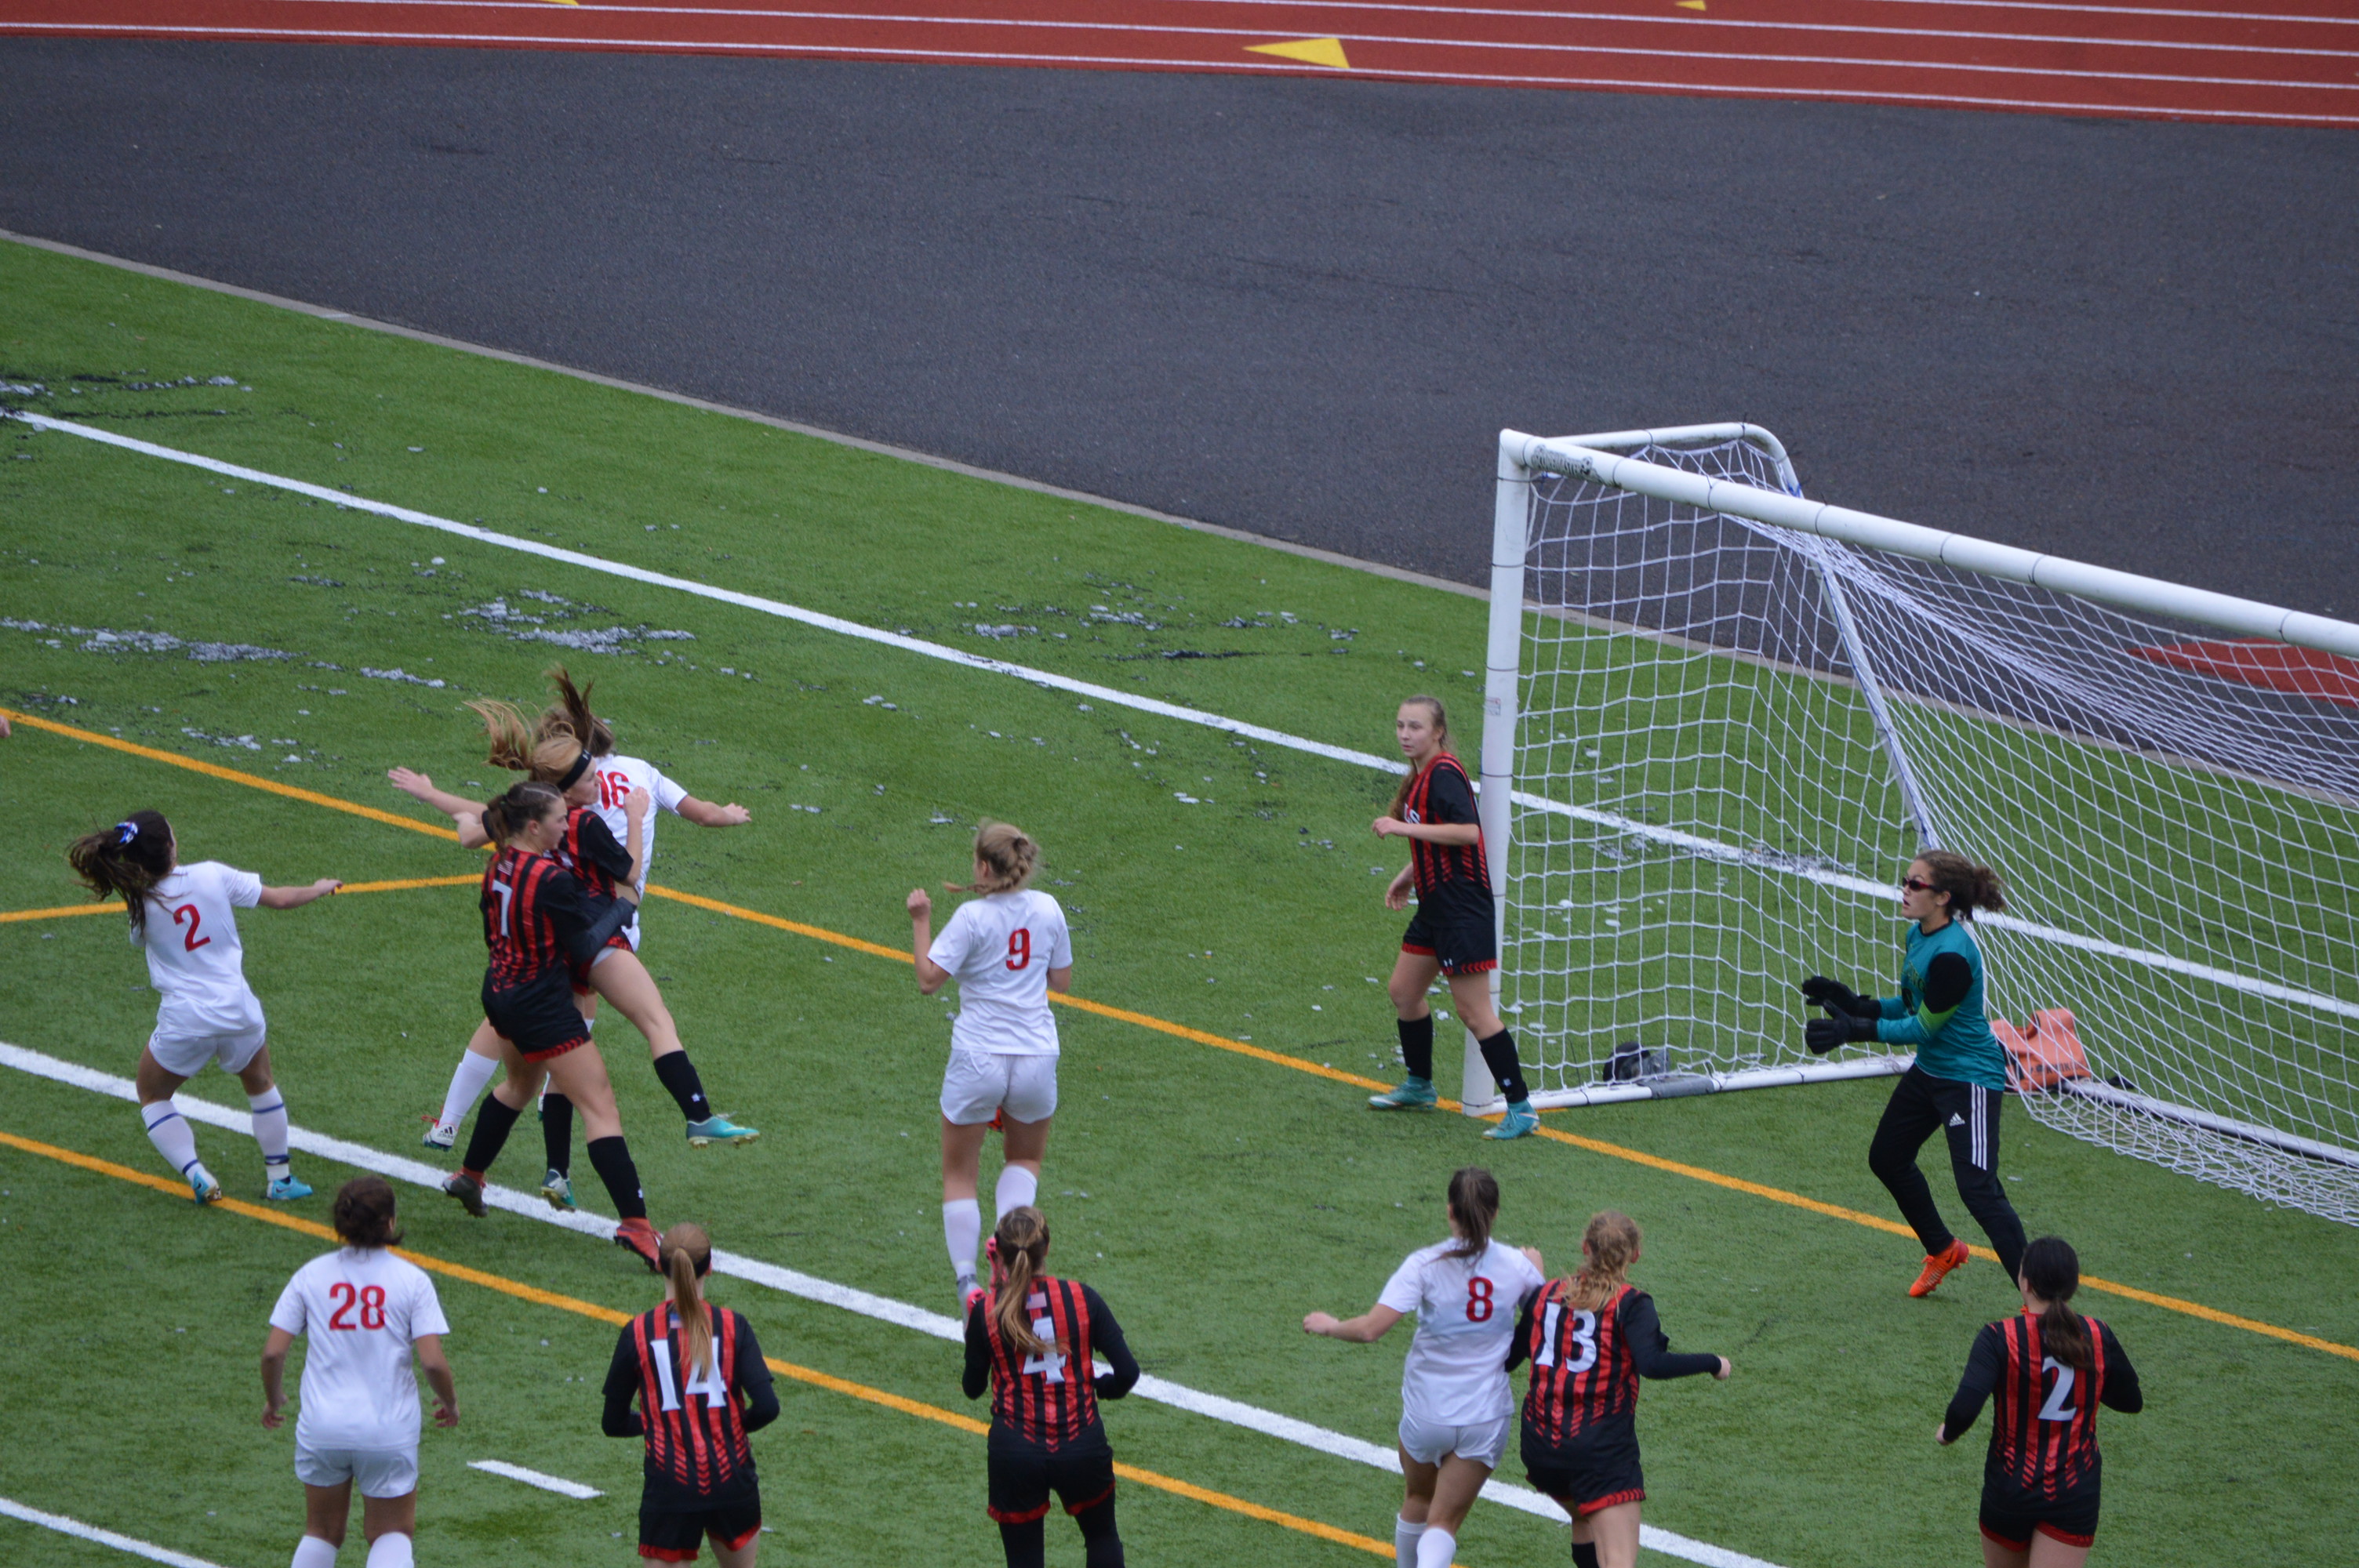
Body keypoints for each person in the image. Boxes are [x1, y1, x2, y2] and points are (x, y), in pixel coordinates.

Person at [393, 666, 755, 1179]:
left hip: (542, 943)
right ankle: (691, 1118)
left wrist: (433, 797)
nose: (598, 784)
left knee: (525, 1051)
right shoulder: (592, 809)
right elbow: (631, 868)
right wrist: (640, 825)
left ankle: (488, 1148)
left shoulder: (536, 809)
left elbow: (474, 830)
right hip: (599, 930)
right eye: (589, 780)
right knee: (629, 1030)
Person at [442, 779, 664, 1269]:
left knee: (518, 1086)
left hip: (500, 992)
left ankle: (471, 1175)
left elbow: (492, 931)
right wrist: (622, 907)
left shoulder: (498, 864)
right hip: (541, 1005)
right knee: (601, 1107)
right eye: (561, 820)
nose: (568, 826)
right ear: (534, 826)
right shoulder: (550, 878)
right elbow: (582, 948)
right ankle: (637, 1226)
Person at [67, 811, 340, 1203]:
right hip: (239, 1011)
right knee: (260, 1083)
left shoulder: (140, 905)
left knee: (152, 1094)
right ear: (170, 846)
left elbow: (143, 939)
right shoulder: (212, 874)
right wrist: (318, 887)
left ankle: (196, 1173)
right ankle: (280, 1179)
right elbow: (280, 899)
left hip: (186, 1020)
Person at [1801, 848, 2026, 1297]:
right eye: (1905, 881)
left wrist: (1855, 1030)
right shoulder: (1918, 935)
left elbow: (1922, 1027)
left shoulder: (1952, 958)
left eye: (1915, 884)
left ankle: (2041, 1304)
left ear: (1943, 898)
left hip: (1968, 1079)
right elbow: (1909, 1005)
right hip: (1931, 1070)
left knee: (1979, 1191)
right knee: (1887, 1158)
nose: (1904, 890)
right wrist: (1856, 1004)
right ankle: (1943, 1249)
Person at [1303, 1167, 1543, 1568]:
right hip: (1484, 1415)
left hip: (1427, 1413)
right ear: (1495, 1213)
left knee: (1417, 1499)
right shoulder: (1518, 1266)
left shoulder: (1425, 1264)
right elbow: (1546, 1319)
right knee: (1443, 1523)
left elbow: (1371, 1329)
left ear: (1450, 1211)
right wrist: (1538, 1270)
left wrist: (1330, 1326)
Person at [909, 822, 1073, 1308]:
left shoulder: (971, 917)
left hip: (979, 1055)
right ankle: (1010, 1268)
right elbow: (1061, 981)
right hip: (1035, 1054)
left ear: (983, 866)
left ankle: (967, 1283)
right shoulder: (1048, 908)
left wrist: (921, 919)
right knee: (1024, 1161)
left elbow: (928, 980)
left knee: (960, 1174)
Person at [1508, 1211, 1729, 1568]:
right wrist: (1714, 1363)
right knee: (1618, 1559)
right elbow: (1652, 1364)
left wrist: (1528, 1289)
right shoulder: (1631, 1304)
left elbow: (1507, 1360)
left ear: (1585, 1247)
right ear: (1635, 1255)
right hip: (1600, 1454)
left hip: (1542, 1450)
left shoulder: (1545, 1295)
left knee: (1584, 1518)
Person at [1365, 696, 1539, 1139]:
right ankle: (1420, 1086)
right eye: (1400, 725)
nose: (1405, 735)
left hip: (1462, 911)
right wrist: (1409, 874)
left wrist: (1402, 828)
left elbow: (1467, 832)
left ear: (1438, 732)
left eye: (1416, 727)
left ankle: (1521, 1109)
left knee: (1474, 1012)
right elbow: (1436, 837)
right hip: (1435, 907)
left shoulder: (1443, 774)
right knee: (1404, 992)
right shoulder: (1422, 774)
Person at [263, 1177, 458, 1568]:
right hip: (387, 1429)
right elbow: (433, 1362)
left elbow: (272, 1353)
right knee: (391, 1531)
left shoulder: (311, 1275)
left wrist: (274, 1398)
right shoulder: (412, 1280)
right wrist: (449, 1402)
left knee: (321, 1531)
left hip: (322, 1426)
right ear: (390, 1222)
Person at [1938, 1236, 2142, 1567]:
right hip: (2074, 1490)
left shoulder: (1998, 1337)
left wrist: (1947, 1433)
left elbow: (1965, 1407)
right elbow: (2131, 1400)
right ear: (2073, 1287)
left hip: (2010, 1488)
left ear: (2026, 1283)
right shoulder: (2097, 1334)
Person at [963, 1206, 1137, 1568]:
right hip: (1081, 1441)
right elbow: (1128, 1372)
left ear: (1000, 1254)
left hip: (1016, 1449)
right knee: (1102, 1536)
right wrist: (1102, 1387)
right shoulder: (1083, 1298)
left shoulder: (988, 1311)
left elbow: (972, 1387)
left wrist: (976, 1329)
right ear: (1047, 1247)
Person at [603, 1221, 779, 1566]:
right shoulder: (733, 1326)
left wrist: (657, 1423)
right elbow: (768, 1407)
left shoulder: (638, 1332)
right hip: (732, 1480)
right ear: (709, 1268)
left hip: (670, 1487)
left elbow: (613, 1422)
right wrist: (731, 1425)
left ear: (660, 1266)